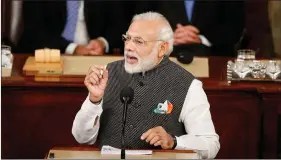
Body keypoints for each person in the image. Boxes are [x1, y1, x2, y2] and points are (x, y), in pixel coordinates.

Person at [72, 12, 220, 159]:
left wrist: (174, 142)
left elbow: (210, 145)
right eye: (127, 39)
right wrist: (94, 100)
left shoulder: (188, 85)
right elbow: (82, 138)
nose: (129, 47)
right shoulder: (107, 73)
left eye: (139, 41)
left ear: (162, 48)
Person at [15, 1, 131, 55]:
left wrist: (103, 42)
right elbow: (34, 32)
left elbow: (120, 26)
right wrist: (73, 48)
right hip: (49, 56)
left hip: (94, 59)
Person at [135, 1, 244, 57]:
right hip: (161, 64)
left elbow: (234, 27)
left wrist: (200, 39)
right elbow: (139, 24)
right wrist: (168, 38)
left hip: (214, 61)